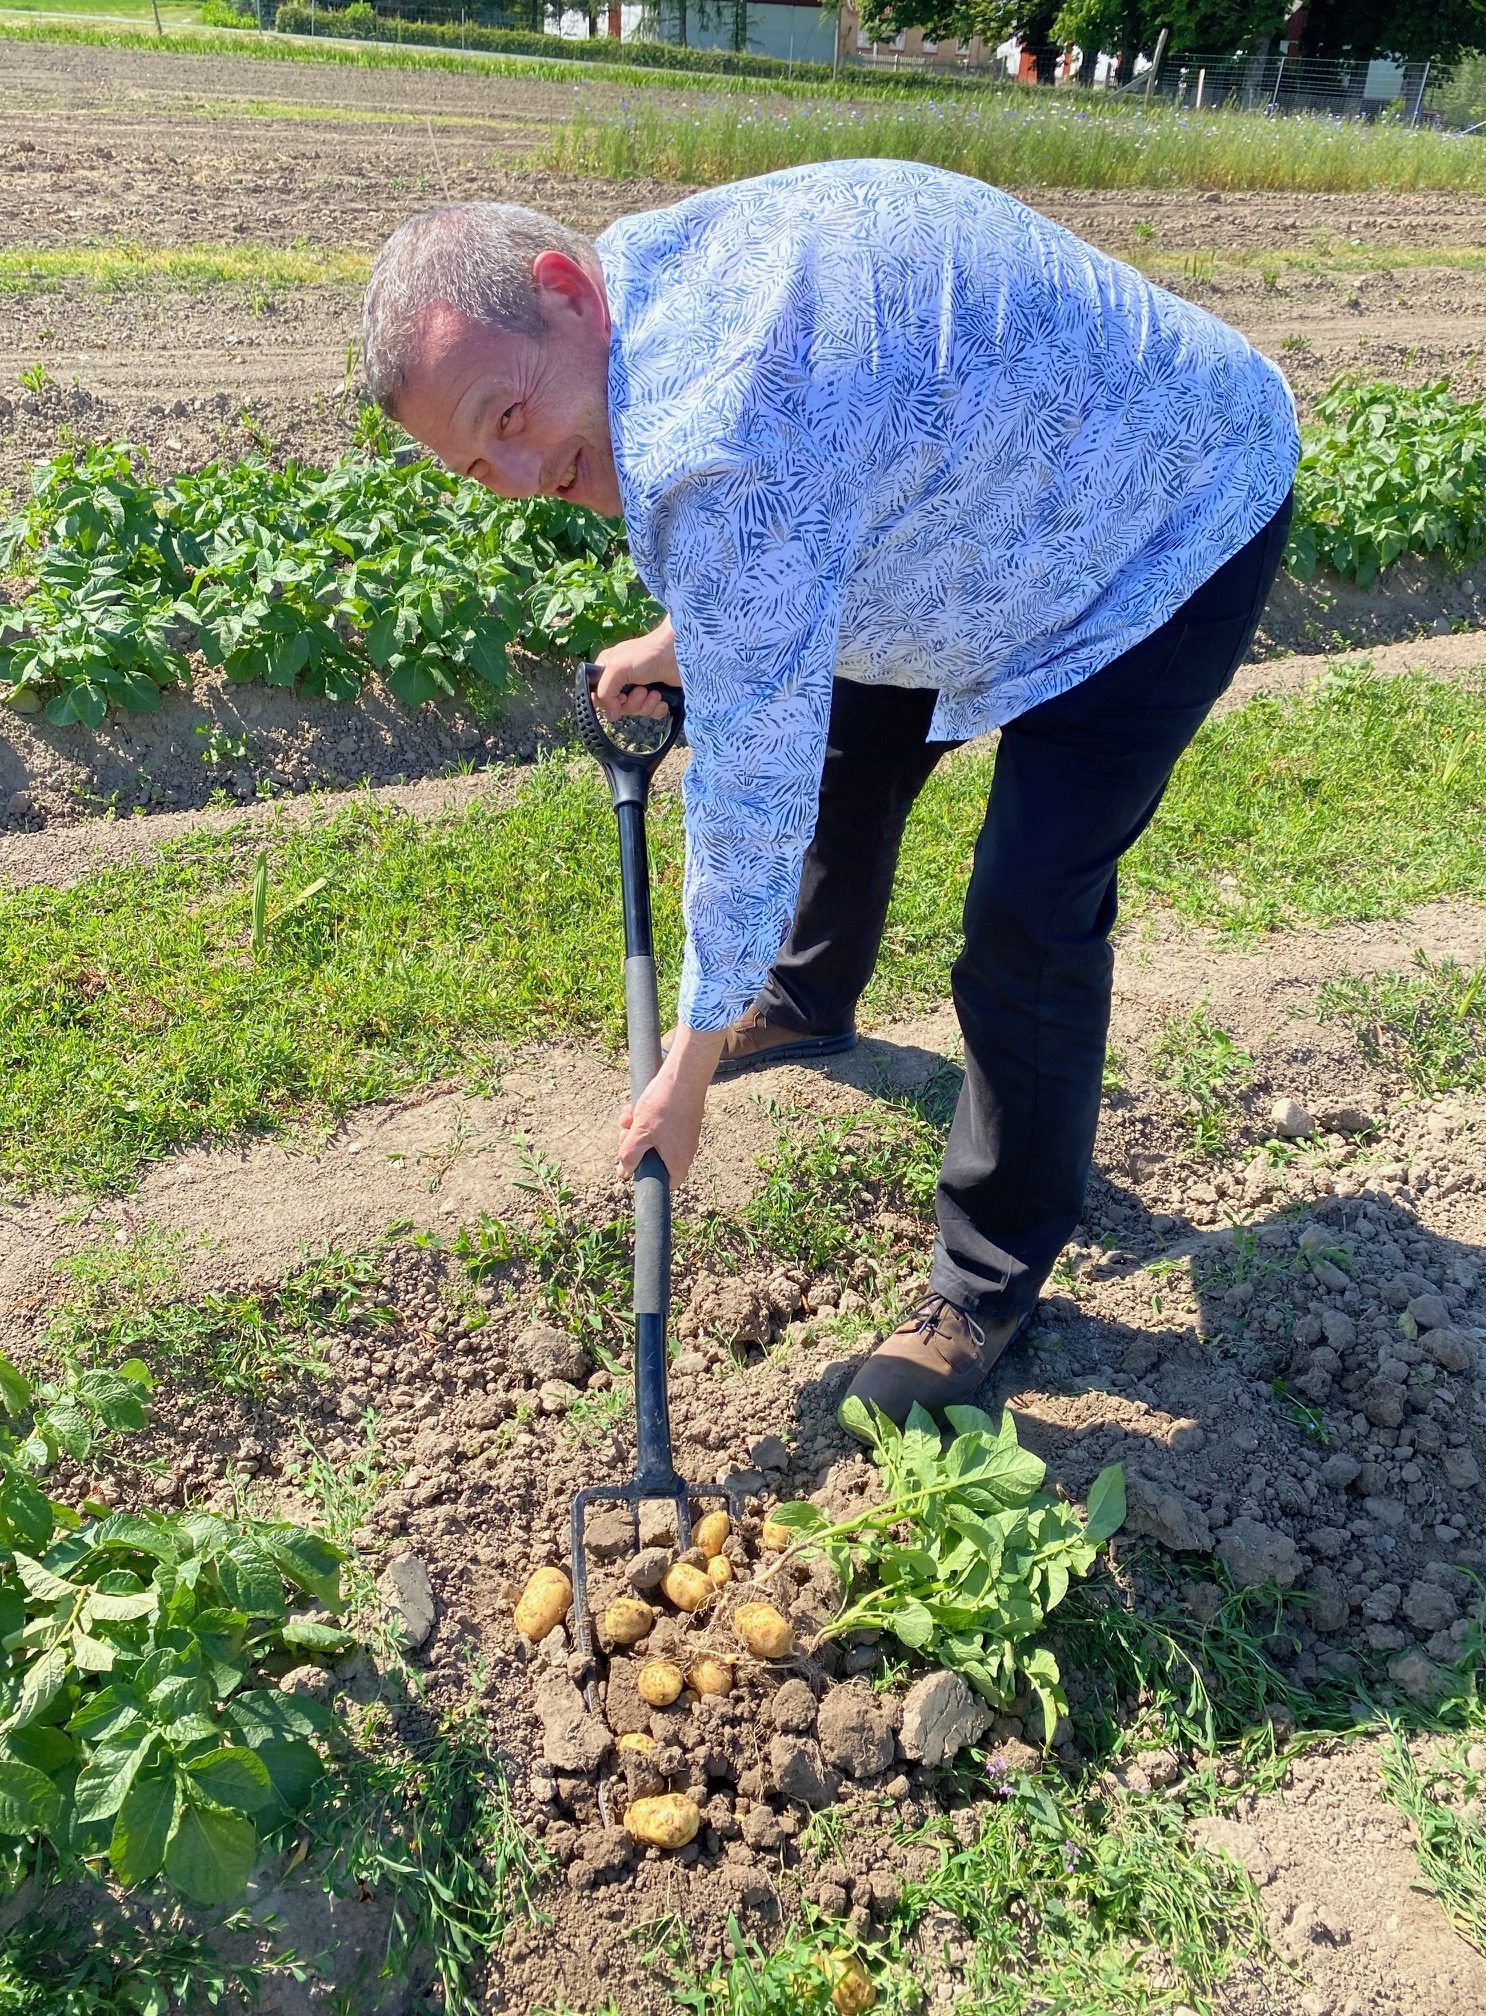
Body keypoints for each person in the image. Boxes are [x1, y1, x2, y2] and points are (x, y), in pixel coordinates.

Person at [361, 159, 1299, 1424]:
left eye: (507, 419)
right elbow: (791, 528)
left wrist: (682, 1068)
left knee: (1031, 909)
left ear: (564, 291)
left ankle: (986, 1279)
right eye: (477, 468)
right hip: (979, 498)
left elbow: (749, 778)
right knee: (859, 731)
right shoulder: (650, 285)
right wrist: (685, 634)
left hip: (1167, 520)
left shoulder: (722, 423)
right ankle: (805, 995)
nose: (520, 479)